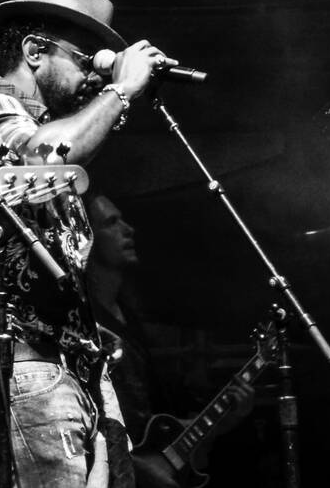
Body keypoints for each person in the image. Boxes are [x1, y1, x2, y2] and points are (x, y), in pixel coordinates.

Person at [0, 0, 168, 487]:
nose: (96, 75)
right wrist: (124, 89)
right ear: (35, 51)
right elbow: (43, 155)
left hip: (76, 372)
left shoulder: (42, 127)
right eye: (86, 59)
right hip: (16, 365)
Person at [83, 194, 255, 487]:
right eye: (111, 223)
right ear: (84, 238)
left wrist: (225, 419)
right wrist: (139, 468)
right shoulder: (86, 322)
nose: (128, 229)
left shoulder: (130, 318)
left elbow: (156, 427)